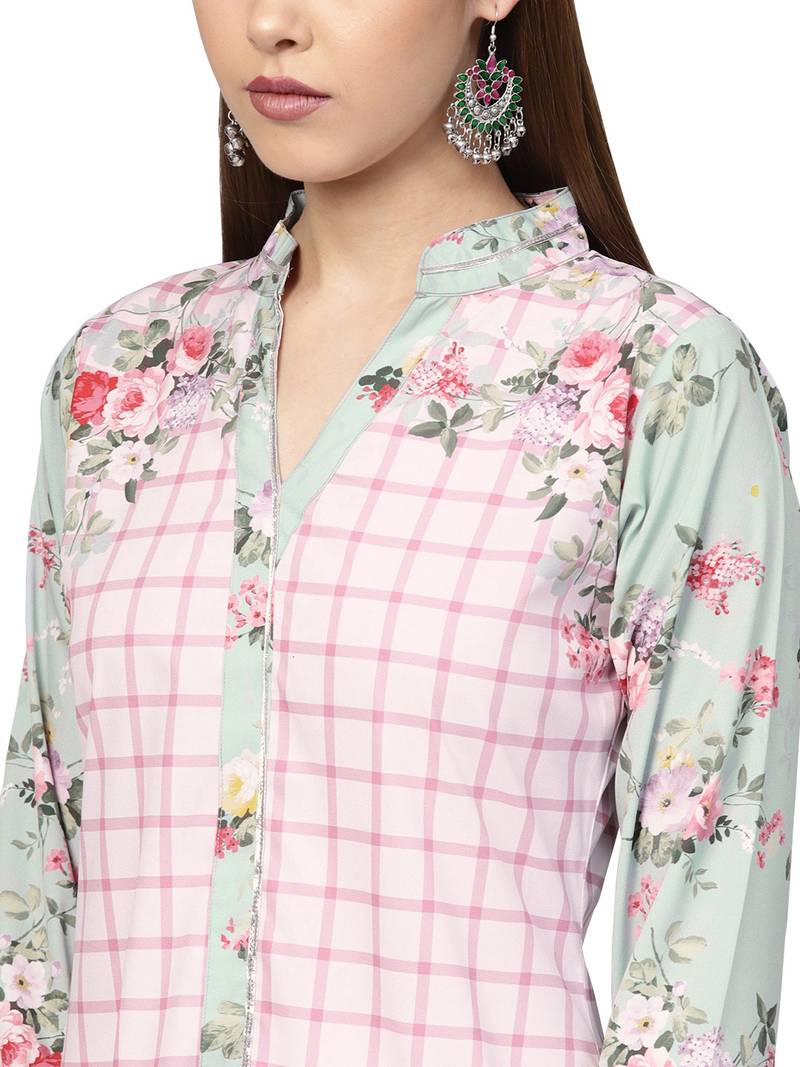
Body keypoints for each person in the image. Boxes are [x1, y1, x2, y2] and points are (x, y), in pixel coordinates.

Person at [2, 1, 798, 1064]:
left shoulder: (654, 376)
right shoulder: (119, 376)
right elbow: (37, 898)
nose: (269, 22)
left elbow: (700, 961)